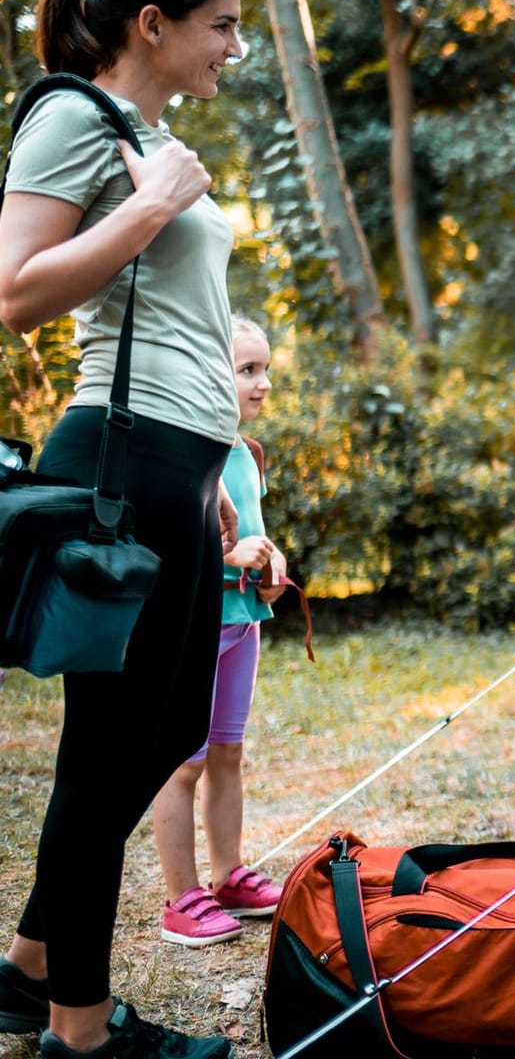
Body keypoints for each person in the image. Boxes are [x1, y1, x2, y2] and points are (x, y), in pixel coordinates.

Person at [0, 0, 247, 1059]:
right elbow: (12, 291)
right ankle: (81, 1034)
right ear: (153, 23)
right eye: (221, 25)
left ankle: (33, 966)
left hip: (179, 467)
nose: (233, 48)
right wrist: (152, 206)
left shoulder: (145, 132)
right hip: (122, 454)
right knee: (112, 749)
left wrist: (216, 480)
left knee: (166, 726)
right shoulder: (69, 115)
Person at [149, 316, 287, 948]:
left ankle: (228, 874)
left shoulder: (248, 454)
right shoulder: (185, 454)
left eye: (264, 369)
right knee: (184, 764)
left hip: (243, 628)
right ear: (207, 374)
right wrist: (228, 559)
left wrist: (269, 566)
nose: (262, 383)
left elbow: (249, 533)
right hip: (194, 627)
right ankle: (182, 899)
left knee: (228, 756)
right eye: (247, 370)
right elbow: (170, 547)